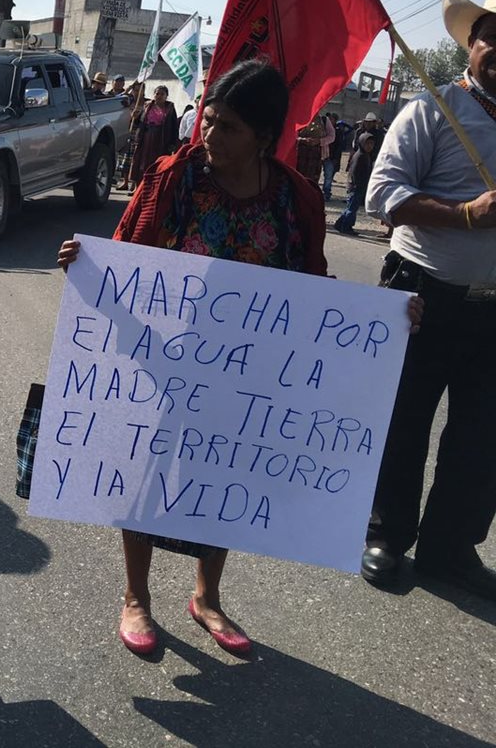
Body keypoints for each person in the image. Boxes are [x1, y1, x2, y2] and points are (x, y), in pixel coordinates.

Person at [58, 60, 331, 658]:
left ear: (263, 137)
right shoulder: (174, 178)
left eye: (228, 127)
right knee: (145, 469)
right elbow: (128, 256)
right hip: (162, 364)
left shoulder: (294, 200)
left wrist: (388, 323)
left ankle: (206, 596)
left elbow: (316, 289)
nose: (209, 135)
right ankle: (136, 597)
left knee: (225, 474)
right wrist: (86, 260)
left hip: (246, 377)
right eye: (208, 120)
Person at [361, 0, 496, 600]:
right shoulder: (432, 109)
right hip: (422, 291)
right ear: (472, 43)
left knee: (482, 432)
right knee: (404, 419)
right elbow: (382, 194)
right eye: (491, 35)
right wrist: (466, 215)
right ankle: (387, 535)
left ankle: (450, 549)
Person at [127, 85, 179, 189]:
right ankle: (139, 188)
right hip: (145, 139)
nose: (159, 96)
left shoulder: (169, 109)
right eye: (157, 93)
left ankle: (153, 189)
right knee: (142, 163)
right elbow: (138, 123)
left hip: (161, 140)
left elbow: (174, 127)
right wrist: (135, 117)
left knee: (157, 164)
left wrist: (173, 144)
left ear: (166, 96)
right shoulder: (147, 106)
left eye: (162, 94)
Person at [332, 131, 375, 234]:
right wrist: (358, 185)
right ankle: (345, 227)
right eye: (367, 143)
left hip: (359, 187)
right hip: (356, 187)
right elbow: (355, 173)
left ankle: (340, 224)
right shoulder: (360, 156)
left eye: (371, 144)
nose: (369, 146)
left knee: (351, 207)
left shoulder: (365, 155)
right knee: (352, 208)